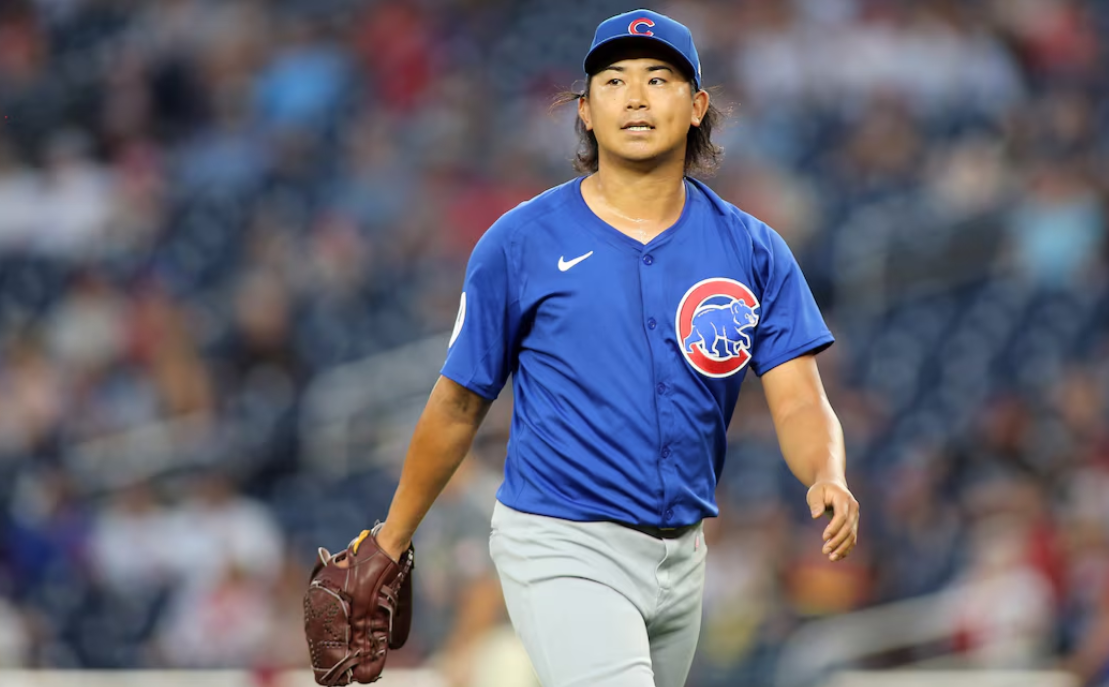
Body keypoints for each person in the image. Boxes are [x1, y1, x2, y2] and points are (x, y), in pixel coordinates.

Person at [375, 9, 860, 687]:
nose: (634, 96)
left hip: (683, 553)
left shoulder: (752, 250)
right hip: (560, 539)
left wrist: (825, 472)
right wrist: (391, 539)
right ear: (584, 110)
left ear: (696, 107)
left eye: (657, 79)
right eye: (613, 81)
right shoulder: (520, 242)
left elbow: (799, 397)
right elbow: (457, 403)